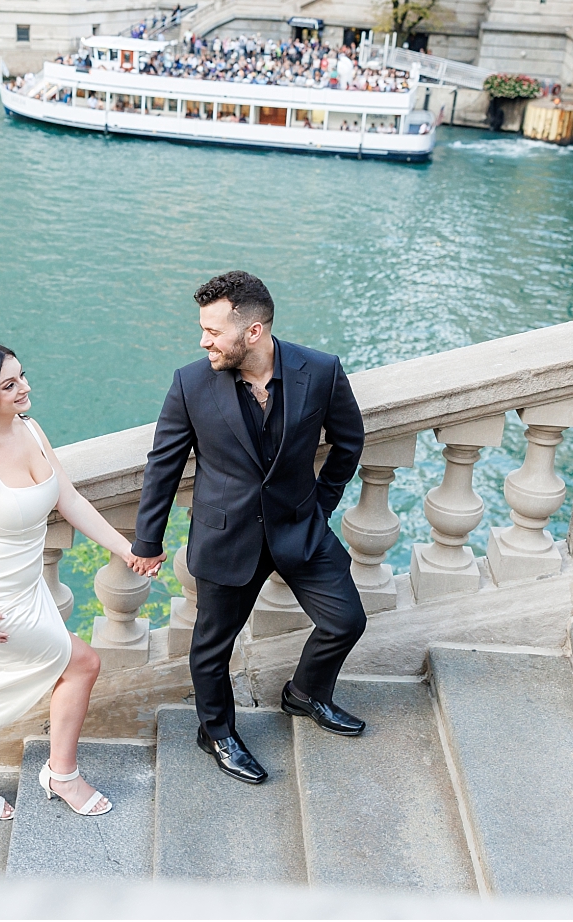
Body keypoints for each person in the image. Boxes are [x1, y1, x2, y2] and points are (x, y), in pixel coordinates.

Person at [128, 272, 367, 785]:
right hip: (225, 535)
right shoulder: (190, 383)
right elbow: (163, 465)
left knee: (346, 621)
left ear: (253, 331)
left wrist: (319, 505)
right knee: (213, 647)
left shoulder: (320, 371)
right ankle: (216, 732)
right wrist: (148, 539)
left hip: (300, 528)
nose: (203, 341)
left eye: (213, 331)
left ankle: (306, 694)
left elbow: (349, 443)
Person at [0, 344, 150, 819]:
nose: (24, 388)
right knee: (83, 663)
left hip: (29, 586)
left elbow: (67, 497)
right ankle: (61, 774)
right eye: (9, 385)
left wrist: (124, 548)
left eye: (22, 376)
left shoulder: (30, 428)